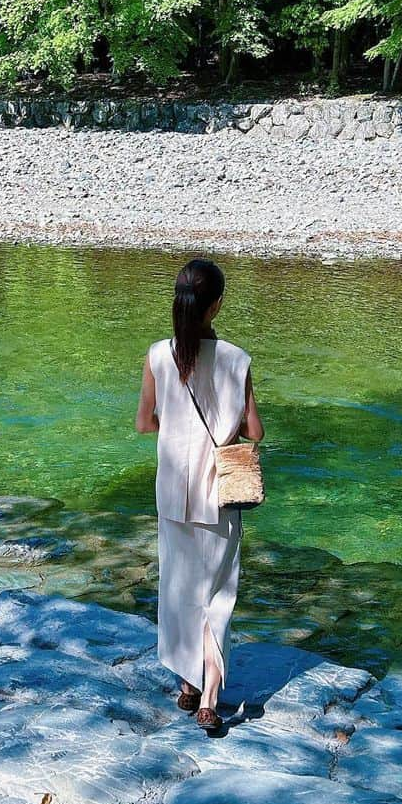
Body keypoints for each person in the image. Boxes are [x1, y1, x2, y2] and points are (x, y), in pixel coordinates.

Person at [134, 257, 264, 732]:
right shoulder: (236, 358)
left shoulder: (157, 355)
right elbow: (255, 430)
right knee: (217, 594)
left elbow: (145, 422)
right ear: (217, 305)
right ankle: (209, 696)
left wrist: (178, 426)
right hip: (220, 496)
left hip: (173, 492)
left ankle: (188, 686)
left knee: (179, 589)